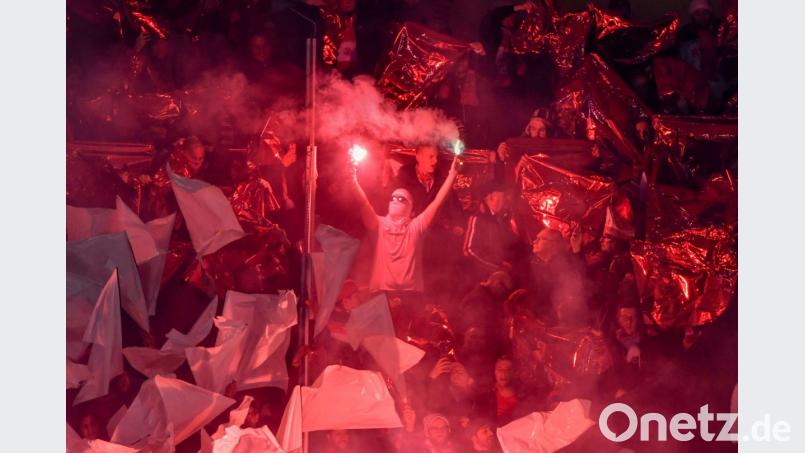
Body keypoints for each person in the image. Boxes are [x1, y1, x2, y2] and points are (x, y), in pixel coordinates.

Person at [351, 152, 460, 293]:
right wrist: (351, 178)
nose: (396, 201)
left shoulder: (415, 227)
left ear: (410, 207)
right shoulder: (380, 225)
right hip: (382, 293)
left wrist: (452, 175)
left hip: (410, 295)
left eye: (401, 199)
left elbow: (438, 202)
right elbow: (363, 203)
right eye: (393, 198)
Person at [463, 183, 520, 283]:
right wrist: (498, 266)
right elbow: (470, 250)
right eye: (503, 196)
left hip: (496, 278)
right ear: (491, 197)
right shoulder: (478, 218)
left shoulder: (499, 218)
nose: (506, 199)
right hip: (480, 279)